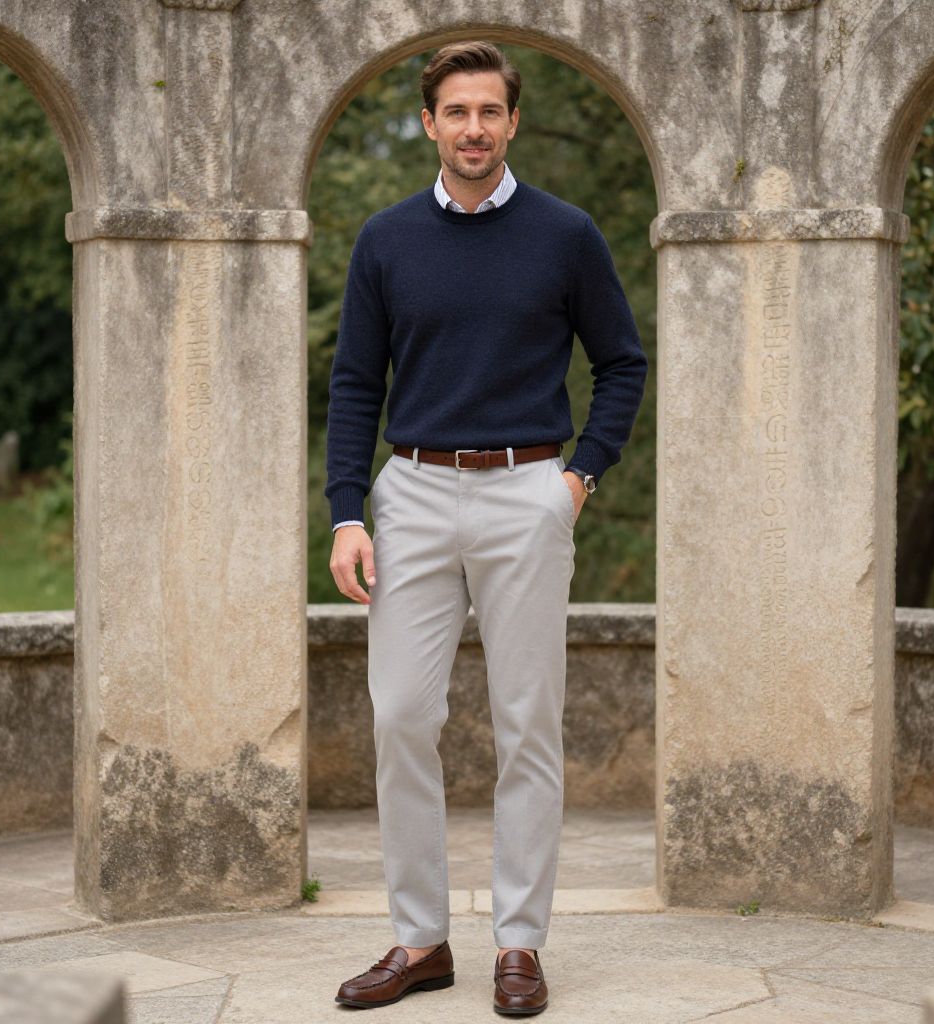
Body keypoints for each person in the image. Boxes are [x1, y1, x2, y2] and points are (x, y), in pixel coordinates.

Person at [327, 40, 647, 1015]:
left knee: (526, 725)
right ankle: (420, 939)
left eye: (489, 112)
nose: (472, 128)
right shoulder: (385, 240)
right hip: (414, 495)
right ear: (428, 123)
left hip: (526, 494)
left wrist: (577, 478)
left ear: (511, 122)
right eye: (455, 112)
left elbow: (622, 362)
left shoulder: (565, 234)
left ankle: (519, 942)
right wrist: (347, 511)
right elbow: (352, 384)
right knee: (400, 716)